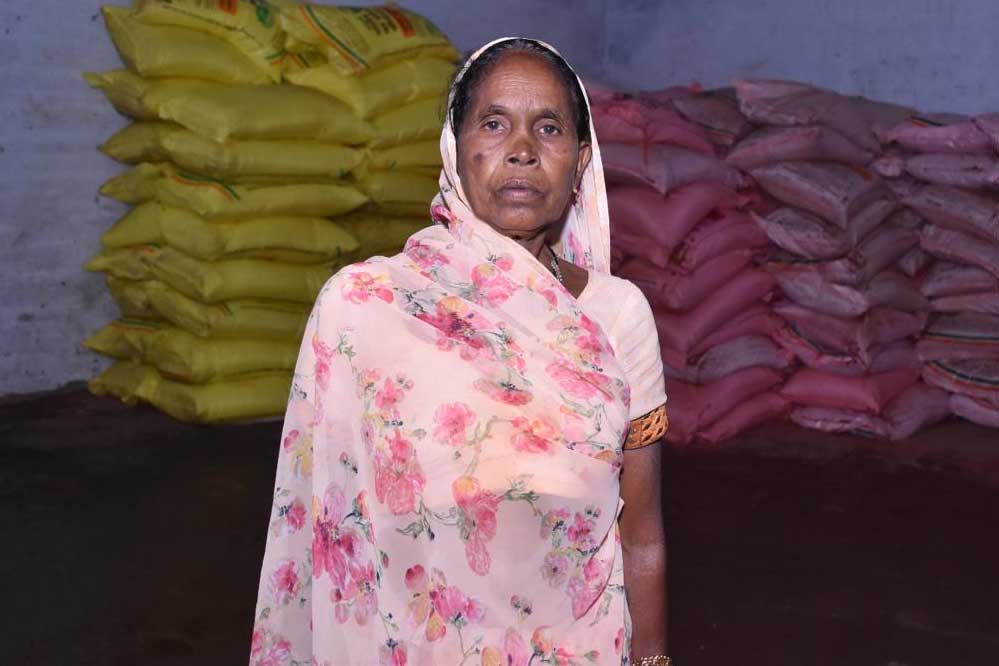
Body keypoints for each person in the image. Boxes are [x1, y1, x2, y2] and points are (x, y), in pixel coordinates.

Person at [250, 38, 670, 666]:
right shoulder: (369, 309)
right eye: (494, 124)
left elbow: (642, 539)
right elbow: (326, 527)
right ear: (454, 146)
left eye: (548, 128)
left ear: (581, 160)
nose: (522, 149)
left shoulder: (617, 315)